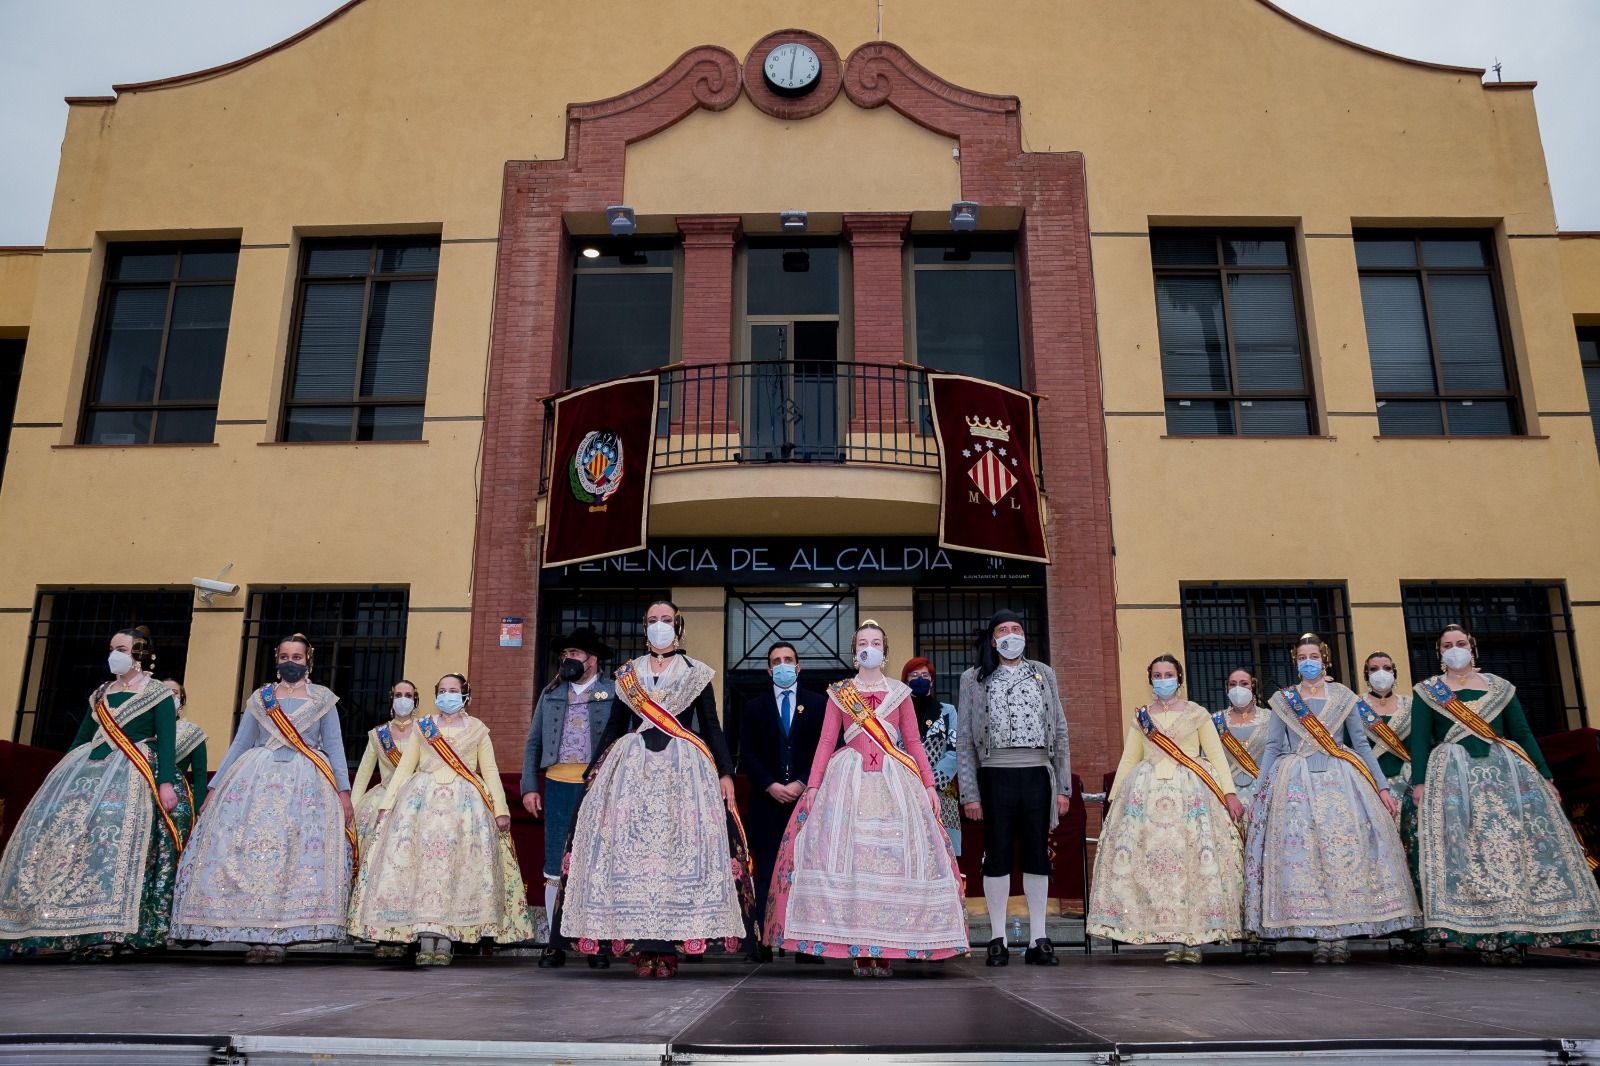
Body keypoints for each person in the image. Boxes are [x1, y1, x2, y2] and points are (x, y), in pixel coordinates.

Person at [553, 600, 756, 978]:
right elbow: (615, 726)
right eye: (651, 620)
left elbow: (711, 726)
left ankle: (668, 951)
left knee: (673, 861)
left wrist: (726, 772)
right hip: (632, 771)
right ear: (644, 628)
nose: (658, 626)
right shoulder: (628, 674)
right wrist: (593, 774)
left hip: (685, 774)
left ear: (677, 626)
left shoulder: (696, 673)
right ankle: (642, 950)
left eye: (665, 620)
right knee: (634, 860)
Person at [765, 622, 968, 977]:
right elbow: (827, 743)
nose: (869, 647)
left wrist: (930, 786)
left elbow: (915, 742)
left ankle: (887, 946)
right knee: (853, 863)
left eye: (875, 642)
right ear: (853, 649)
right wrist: (813, 787)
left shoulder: (901, 693)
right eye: (862, 642)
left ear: (885, 651)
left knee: (891, 863)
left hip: (895, 783)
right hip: (846, 782)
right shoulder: (839, 693)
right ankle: (859, 948)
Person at [1408, 624, 1600, 964]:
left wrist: (1545, 775)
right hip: (1454, 780)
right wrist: (1420, 783)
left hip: (1508, 780)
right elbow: (1420, 741)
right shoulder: (1427, 692)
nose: (1455, 649)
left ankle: (1517, 931)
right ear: (1439, 654)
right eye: (1448, 645)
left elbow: (1523, 733)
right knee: (1467, 854)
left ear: (1473, 647)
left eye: (1461, 643)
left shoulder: (1500, 688)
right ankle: (1482, 933)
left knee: (1512, 850)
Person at [0, 627, 194, 959]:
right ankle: (49, 922)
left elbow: (164, 743)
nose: (113, 654)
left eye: (121, 648)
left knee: (115, 843)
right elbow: (82, 738)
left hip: (132, 775)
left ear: (139, 655)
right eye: (111, 648)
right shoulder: (100, 693)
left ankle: (107, 927)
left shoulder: (158, 694)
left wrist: (164, 783)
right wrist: (58, 779)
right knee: (66, 840)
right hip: (86, 772)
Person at [171, 633, 355, 963]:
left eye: (297, 657)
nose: (290, 662)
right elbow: (240, 744)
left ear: (308, 660)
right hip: (254, 783)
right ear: (276, 660)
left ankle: (281, 937)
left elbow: (336, 747)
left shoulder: (323, 699)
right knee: (254, 858)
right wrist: (214, 790)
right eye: (285, 656)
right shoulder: (260, 698)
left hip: (306, 786)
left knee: (293, 858)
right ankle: (256, 935)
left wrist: (344, 793)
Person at [1244, 633, 1419, 963]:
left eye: (1313, 656)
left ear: (1325, 660)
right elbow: (1272, 747)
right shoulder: (1284, 699)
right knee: (1304, 860)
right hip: (1294, 784)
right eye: (1301, 657)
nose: (1307, 662)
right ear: (1295, 662)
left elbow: (1362, 744)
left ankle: (1341, 935)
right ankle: (1320, 934)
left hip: (1342, 782)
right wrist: (1259, 791)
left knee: (1344, 857)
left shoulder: (1344, 696)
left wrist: (1381, 787)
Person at [349, 673, 534, 965]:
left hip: (465, 808)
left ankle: (446, 941)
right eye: (442, 690)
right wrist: (386, 805)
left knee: (455, 872)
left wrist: (501, 810)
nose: (447, 695)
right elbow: (404, 768)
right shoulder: (423, 728)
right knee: (423, 872)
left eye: (453, 690)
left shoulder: (478, 730)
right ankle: (424, 939)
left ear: (465, 696)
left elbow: (490, 771)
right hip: (421, 804)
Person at [1088, 655, 1244, 962]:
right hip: (1146, 798)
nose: (1163, 680)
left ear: (1180, 679)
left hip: (1192, 799)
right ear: (1151, 681)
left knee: (1193, 868)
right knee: (1159, 871)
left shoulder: (1198, 714)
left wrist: (1229, 793)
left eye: (1168, 674)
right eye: (1157, 675)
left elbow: (1216, 757)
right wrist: (1115, 799)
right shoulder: (1142, 717)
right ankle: (1172, 939)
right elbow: (1130, 758)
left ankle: (1195, 940)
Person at [956, 610, 1071, 967]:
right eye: (1003, 630)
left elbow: (1062, 731)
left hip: (1038, 772)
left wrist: (1063, 786)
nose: (1010, 635)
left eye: (1017, 629)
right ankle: (997, 938)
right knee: (998, 853)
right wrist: (970, 793)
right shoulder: (973, 679)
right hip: (995, 775)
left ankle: (1040, 938)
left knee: (1037, 853)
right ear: (993, 639)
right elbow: (963, 741)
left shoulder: (1043, 674)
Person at [521, 627, 616, 966]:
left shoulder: (614, 692)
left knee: (595, 862)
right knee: (554, 863)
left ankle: (595, 940)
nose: (568, 660)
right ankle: (554, 942)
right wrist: (530, 786)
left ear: (593, 660)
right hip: (558, 784)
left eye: (575, 654)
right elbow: (532, 743)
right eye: (565, 655)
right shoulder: (551, 693)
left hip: (597, 786)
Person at [738, 641, 825, 959]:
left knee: (805, 872)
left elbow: (824, 748)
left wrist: (803, 782)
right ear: (769, 669)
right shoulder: (754, 707)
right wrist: (770, 784)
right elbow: (747, 752)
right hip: (767, 803)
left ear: (799, 667)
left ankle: (805, 945)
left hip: (806, 804)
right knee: (767, 874)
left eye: (789, 659)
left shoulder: (819, 704)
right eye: (777, 661)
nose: (783, 665)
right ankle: (763, 941)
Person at [350, 680, 422, 852]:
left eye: (408, 696)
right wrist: (352, 809)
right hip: (384, 797)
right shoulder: (378, 735)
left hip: (417, 797)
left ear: (416, 701)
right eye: (398, 695)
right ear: (391, 700)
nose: (403, 700)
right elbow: (363, 773)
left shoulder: (424, 731)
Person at [902, 657, 961, 857]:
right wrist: (914, 783)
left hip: (941, 791)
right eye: (914, 675)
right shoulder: (896, 713)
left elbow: (955, 750)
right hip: (905, 788)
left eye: (925, 675)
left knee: (942, 854)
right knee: (908, 852)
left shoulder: (948, 711)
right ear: (905, 681)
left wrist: (930, 782)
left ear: (932, 680)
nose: (920, 679)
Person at [1359, 653, 1413, 799]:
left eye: (1387, 668)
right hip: (1370, 782)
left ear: (1394, 673)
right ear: (1367, 674)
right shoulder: (1356, 705)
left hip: (1407, 782)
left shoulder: (1409, 705)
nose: (1381, 673)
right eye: (1374, 669)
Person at [1215, 669, 1269, 807]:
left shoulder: (1269, 717)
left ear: (1253, 687)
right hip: (1227, 794)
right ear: (1227, 688)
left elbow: (1281, 754)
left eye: (1244, 683)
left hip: (1264, 792)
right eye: (1233, 684)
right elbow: (1209, 760)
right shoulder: (1215, 721)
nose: (1238, 688)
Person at [161, 678, 211, 813]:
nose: (170, 696)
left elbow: (199, 775)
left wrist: (198, 811)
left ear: (182, 699)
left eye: (175, 692)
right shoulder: (144, 730)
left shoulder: (193, 733)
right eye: (164, 692)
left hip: (175, 801)